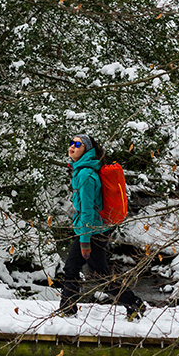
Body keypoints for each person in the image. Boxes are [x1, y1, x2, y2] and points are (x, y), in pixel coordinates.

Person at [56, 134, 145, 320]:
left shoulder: (85, 175)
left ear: (86, 150)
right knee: (85, 270)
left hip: (91, 231)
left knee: (89, 272)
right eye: (71, 142)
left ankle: (132, 303)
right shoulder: (82, 170)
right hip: (92, 229)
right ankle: (68, 309)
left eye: (77, 144)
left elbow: (88, 211)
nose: (72, 146)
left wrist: (85, 241)